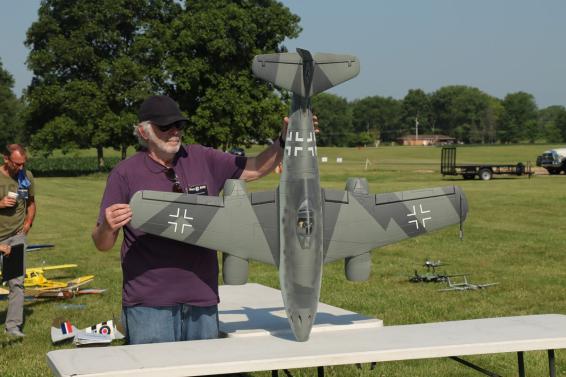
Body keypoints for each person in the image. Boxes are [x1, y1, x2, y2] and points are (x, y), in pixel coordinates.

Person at [92, 95, 308, 344]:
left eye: (179, 125)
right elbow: (102, 243)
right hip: (149, 302)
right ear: (143, 132)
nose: (175, 132)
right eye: (165, 127)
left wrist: (283, 140)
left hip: (201, 297)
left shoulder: (202, 158)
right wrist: (108, 226)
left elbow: (256, 167)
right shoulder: (124, 173)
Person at [0, 144, 36, 338]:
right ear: (6, 159)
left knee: (16, 282)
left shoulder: (26, 177)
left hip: (16, 236)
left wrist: (29, 222)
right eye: (17, 164)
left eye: (24, 164)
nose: (21, 168)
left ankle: (13, 327)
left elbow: (30, 202)